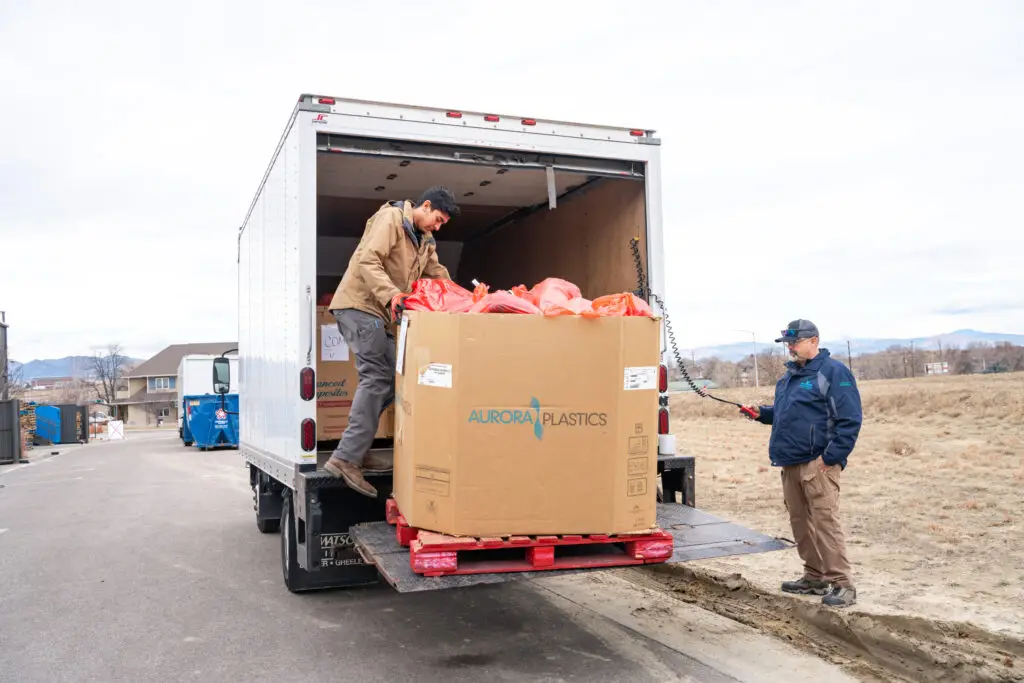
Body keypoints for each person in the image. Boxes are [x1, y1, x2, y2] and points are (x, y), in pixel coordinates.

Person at [323, 187, 460, 498]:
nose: (437, 227)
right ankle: (345, 459)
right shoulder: (391, 219)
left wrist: (466, 299)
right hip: (360, 307)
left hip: (378, 314)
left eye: (442, 225)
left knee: (398, 380)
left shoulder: (425, 239)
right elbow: (367, 262)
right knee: (377, 377)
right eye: (437, 219)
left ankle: (357, 447)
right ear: (425, 206)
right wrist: (393, 294)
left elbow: (436, 274)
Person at [740, 319, 863, 608]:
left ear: (814, 341)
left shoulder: (834, 372)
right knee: (800, 523)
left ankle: (842, 584)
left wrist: (830, 459)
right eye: (788, 344)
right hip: (789, 462)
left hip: (817, 464)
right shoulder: (789, 377)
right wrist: (761, 414)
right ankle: (814, 576)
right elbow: (786, 414)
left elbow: (850, 420)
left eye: (796, 342)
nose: (791, 348)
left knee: (825, 523)